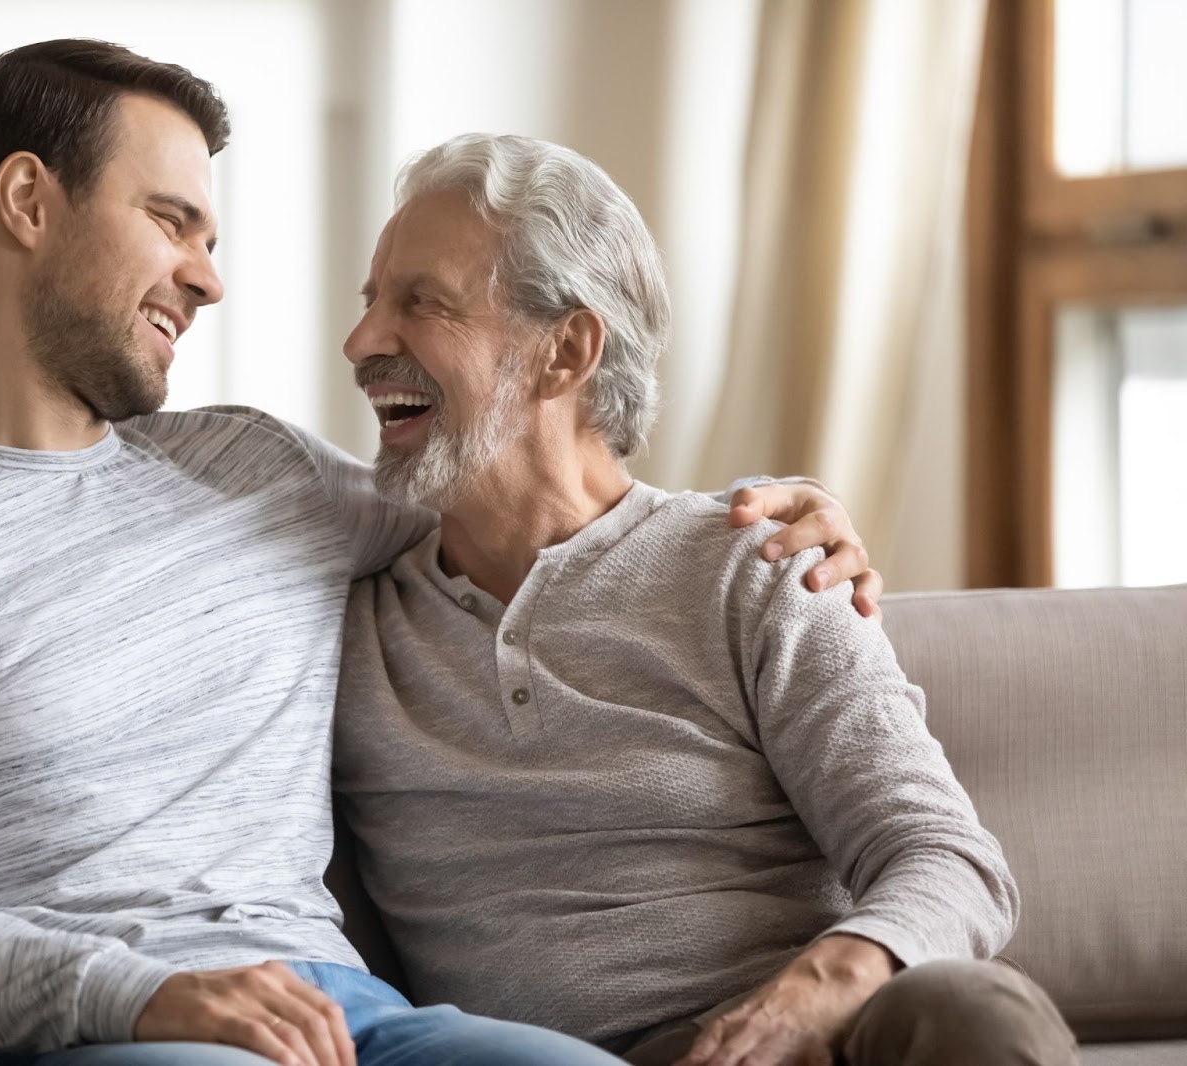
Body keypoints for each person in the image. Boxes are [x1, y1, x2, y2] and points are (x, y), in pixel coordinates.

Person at [0, 40, 881, 1066]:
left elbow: (522, 486)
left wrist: (769, 515)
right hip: (83, 1032)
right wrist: (145, 989)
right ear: (26, 201)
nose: (209, 278)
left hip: (343, 1018)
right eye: (171, 222)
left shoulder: (257, 473)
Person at [332, 132, 1079, 1066]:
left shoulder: (756, 564)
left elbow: (950, 860)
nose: (362, 342)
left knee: (976, 1018)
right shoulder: (339, 615)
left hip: (822, 1034)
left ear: (565, 352)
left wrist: (824, 984)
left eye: (421, 303)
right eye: (371, 302)